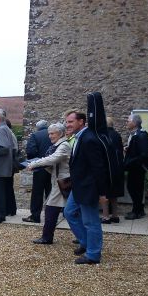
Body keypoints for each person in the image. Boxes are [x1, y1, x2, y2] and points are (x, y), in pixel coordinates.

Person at [63, 104, 108, 265]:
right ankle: (86, 242)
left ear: (81, 122)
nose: (67, 125)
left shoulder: (89, 139)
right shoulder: (80, 136)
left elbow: (98, 167)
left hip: (88, 187)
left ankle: (93, 254)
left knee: (91, 221)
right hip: (79, 186)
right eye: (66, 122)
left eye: (70, 121)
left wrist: (102, 192)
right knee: (69, 212)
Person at [27, 123, 70, 244]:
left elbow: (53, 159)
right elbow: (52, 162)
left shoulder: (64, 145)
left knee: (55, 209)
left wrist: (35, 164)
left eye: (52, 133)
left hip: (64, 182)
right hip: (59, 182)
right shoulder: (58, 145)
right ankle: (47, 236)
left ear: (60, 133)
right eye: (49, 133)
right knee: (60, 209)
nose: (50, 136)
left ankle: (47, 237)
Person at [23, 119, 52, 223]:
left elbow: (31, 151)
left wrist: (32, 162)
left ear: (37, 127)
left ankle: (35, 216)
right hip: (53, 166)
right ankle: (51, 216)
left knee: (37, 192)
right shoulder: (53, 134)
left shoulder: (35, 135)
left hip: (39, 167)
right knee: (51, 192)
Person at [123, 114, 148, 220]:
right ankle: (139, 210)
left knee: (135, 189)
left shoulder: (142, 135)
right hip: (133, 167)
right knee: (133, 188)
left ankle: (137, 211)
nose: (126, 122)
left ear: (134, 123)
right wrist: (128, 149)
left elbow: (145, 154)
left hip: (138, 168)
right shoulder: (134, 134)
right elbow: (136, 150)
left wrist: (130, 161)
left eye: (128, 120)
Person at [100, 117, 125, 224]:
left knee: (104, 193)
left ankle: (106, 216)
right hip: (118, 168)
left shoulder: (103, 136)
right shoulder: (117, 135)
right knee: (114, 194)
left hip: (106, 168)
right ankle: (115, 215)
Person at [5, 118, 18, 216]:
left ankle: (10, 209)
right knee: (8, 187)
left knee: (8, 187)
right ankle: (11, 209)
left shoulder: (9, 134)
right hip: (10, 163)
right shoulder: (10, 133)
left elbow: (14, 149)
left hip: (9, 164)